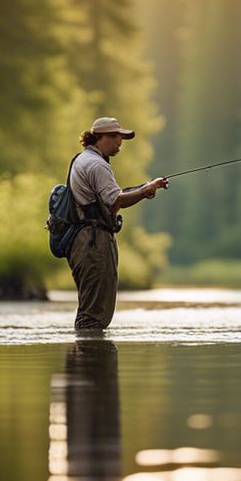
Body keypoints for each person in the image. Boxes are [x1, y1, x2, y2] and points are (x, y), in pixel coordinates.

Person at [68, 117, 168, 330]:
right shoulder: (97, 165)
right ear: (99, 137)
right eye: (114, 136)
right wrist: (144, 191)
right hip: (94, 242)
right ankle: (90, 359)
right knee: (94, 314)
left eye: (121, 137)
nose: (119, 142)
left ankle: (84, 359)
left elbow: (109, 204)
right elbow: (117, 200)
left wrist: (146, 188)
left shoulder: (82, 159)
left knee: (90, 308)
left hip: (83, 240)